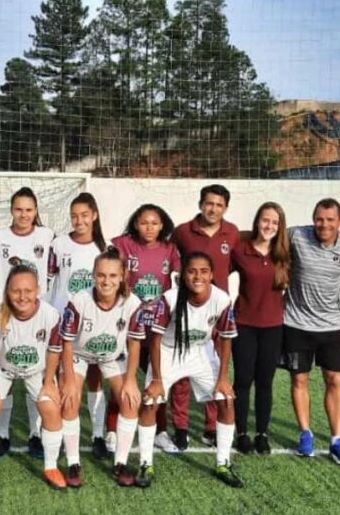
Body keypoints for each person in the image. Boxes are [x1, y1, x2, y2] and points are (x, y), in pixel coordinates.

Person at [131, 252, 243, 489]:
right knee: (150, 401)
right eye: (192, 271)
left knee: (226, 400)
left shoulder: (222, 299)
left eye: (204, 271)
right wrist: (158, 379)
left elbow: (226, 338)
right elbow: (155, 339)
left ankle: (223, 462)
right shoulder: (169, 299)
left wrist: (223, 378)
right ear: (182, 276)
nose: (198, 276)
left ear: (212, 275)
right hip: (169, 352)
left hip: (200, 351)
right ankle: (145, 463)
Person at [0, 266, 65, 492]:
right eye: (16, 291)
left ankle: (51, 466)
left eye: (28, 290)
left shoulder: (50, 315)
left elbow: (53, 351)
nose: (22, 296)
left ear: (38, 290)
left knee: (50, 407)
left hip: (36, 370)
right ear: (7, 291)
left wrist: (50, 382)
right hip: (3, 369)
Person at [282, 198, 340, 466]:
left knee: (335, 380)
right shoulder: (296, 235)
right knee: (299, 381)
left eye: (330, 220)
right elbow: (263, 234)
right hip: (295, 323)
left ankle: (337, 439)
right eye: (319, 219)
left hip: (331, 326)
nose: (323, 224)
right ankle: (306, 434)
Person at [59, 247, 143, 488]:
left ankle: (121, 462)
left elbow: (135, 342)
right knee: (70, 399)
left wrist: (130, 380)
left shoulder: (132, 303)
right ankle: (73, 462)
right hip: (79, 354)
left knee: (129, 400)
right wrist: (69, 382)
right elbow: (66, 341)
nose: (106, 281)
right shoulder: (79, 300)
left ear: (122, 276)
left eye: (112, 276)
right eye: (101, 275)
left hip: (111, 356)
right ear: (93, 275)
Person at [0, 187, 56, 459]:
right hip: (7, 313)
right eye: (19, 209)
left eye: (29, 210)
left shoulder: (48, 236)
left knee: (34, 375)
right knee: (3, 372)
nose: (24, 215)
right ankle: (2, 435)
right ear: (11, 210)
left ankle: (35, 434)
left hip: (36, 315)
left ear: (36, 211)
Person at [172, 185, 238, 447]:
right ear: (201, 204)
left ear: (225, 208)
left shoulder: (232, 233)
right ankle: (180, 425)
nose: (213, 209)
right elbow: (171, 260)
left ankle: (212, 425)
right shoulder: (182, 232)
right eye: (209, 203)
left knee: (215, 368)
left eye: (219, 205)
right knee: (182, 368)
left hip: (217, 312)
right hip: (188, 309)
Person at [111, 204, 181, 453]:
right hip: (128, 323)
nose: (149, 227)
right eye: (144, 222)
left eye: (154, 222)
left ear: (162, 225)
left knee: (155, 379)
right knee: (120, 377)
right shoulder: (123, 244)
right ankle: (111, 430)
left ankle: (160, 430)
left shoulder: (170, 250)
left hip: (157, 327)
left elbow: (176, 284)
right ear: (135, 224)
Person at [48, 193, 109, 459]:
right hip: (64, 323)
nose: (79, 220)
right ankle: (61, 435)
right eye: (74, 216)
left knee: (95, 380)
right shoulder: (59, 244)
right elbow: (50, 279)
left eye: (84, 215)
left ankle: (97, 435)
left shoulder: (105, 249)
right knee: (65, 381)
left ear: (94, 215)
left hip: (94, 324)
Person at [229, 202, 290, 455]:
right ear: (257, 222)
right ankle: (241, 433)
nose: (269, 226)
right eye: (265, 220)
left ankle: (262, 434)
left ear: (280, 226)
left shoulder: (285, 255)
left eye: (274, 222)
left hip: (273, 327)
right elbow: (218, 274)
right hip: (244, 325)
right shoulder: (241, 250)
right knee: (243, 381)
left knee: (265, 382)